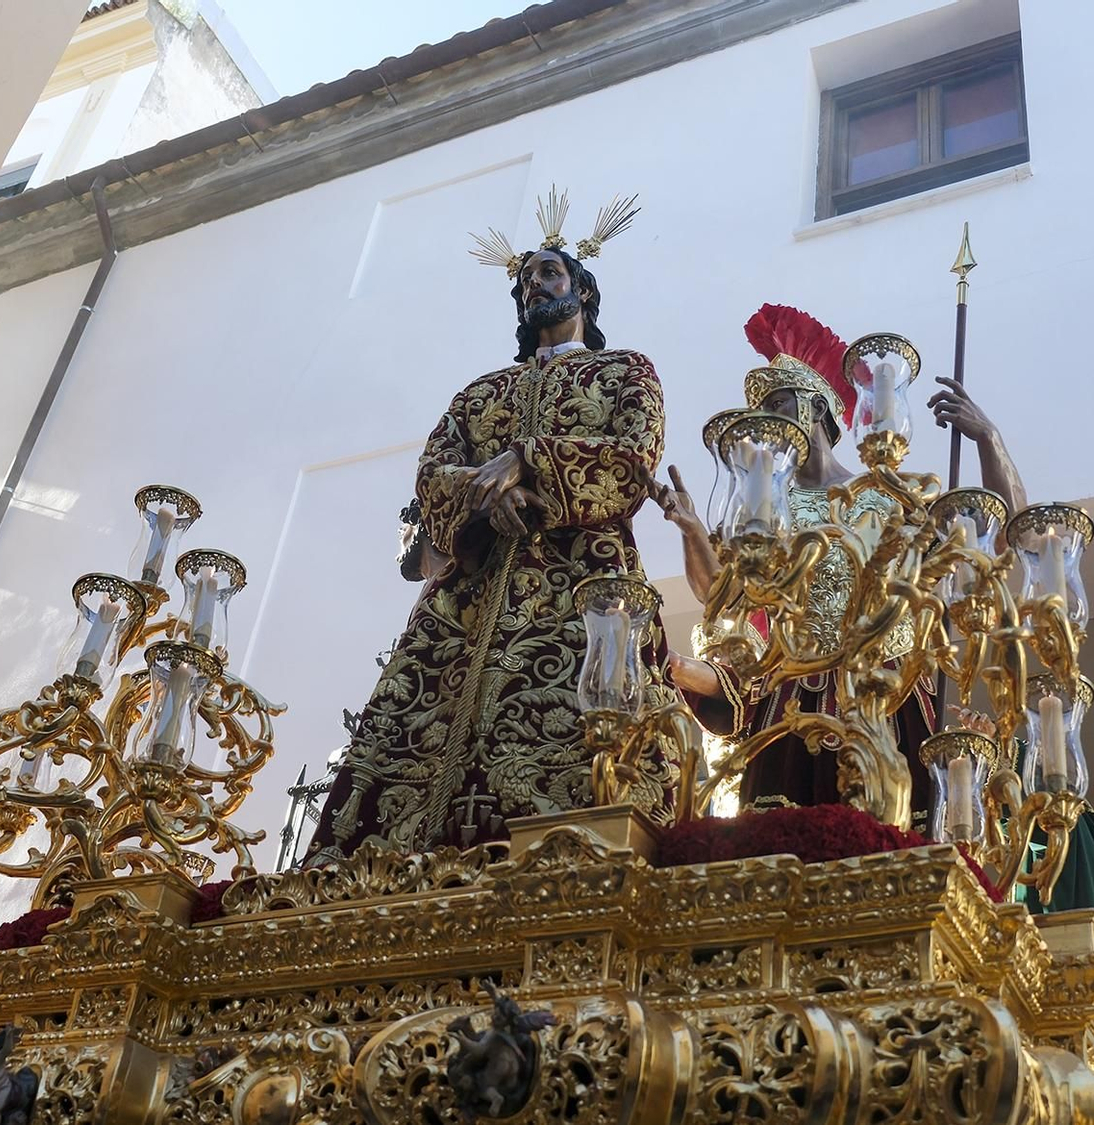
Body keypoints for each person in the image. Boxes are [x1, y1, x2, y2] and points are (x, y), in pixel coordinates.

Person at [304, 195, 675, 862]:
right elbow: (431, 474)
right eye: (526, 280)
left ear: (582, 289)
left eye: (549, 274)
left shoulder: (626, 372)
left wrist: (524, 462)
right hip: (466, 605)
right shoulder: (478, 394)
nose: (534, 285)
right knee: (404, 762)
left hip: (582, 589)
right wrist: (483, 497)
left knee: (584, 753)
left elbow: (633, 459)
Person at [652, 304, 1027, 828]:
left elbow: (995, 546)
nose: (766, 427)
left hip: (887, 691)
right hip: (794, 695)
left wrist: (989, 439)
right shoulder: (766, 517)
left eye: (779, 405)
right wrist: (693, 532)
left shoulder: (890, 497)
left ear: (817, 409)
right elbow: (723, 596)